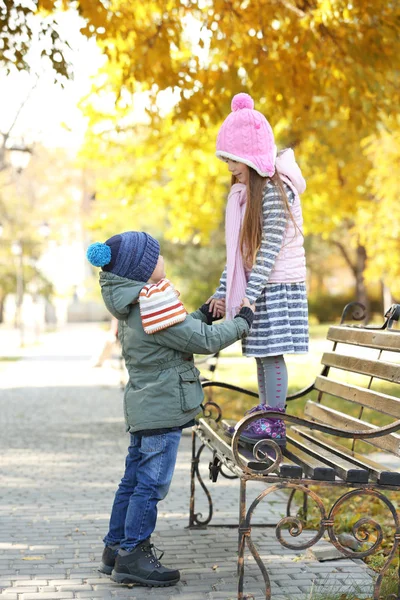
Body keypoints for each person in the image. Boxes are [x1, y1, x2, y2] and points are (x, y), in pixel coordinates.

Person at [86, 230, 254, 588]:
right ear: (143, 268)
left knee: (132, 480)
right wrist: (242, 323)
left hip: (146, 406)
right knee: (151, 484)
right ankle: (133, 555)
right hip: (162, 409)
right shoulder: (152, 303)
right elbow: (203, 342)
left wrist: (204, 314)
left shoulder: (136, 302)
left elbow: (177, 333)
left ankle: (115, 549)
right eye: (156, 257)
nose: (163, 260)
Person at [208, 92, 309, 447]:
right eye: (226, 158)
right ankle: (265, 414)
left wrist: (249, 296)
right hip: (260, 286)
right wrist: (223, 291)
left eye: (234, 158)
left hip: (277, 285)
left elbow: (267, 252)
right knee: (261, 353)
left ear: (251, 156)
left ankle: (274, 426)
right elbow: (241, 253)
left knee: (272, 353)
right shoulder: (247, 196)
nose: (230, 167)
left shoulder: (277, 192)